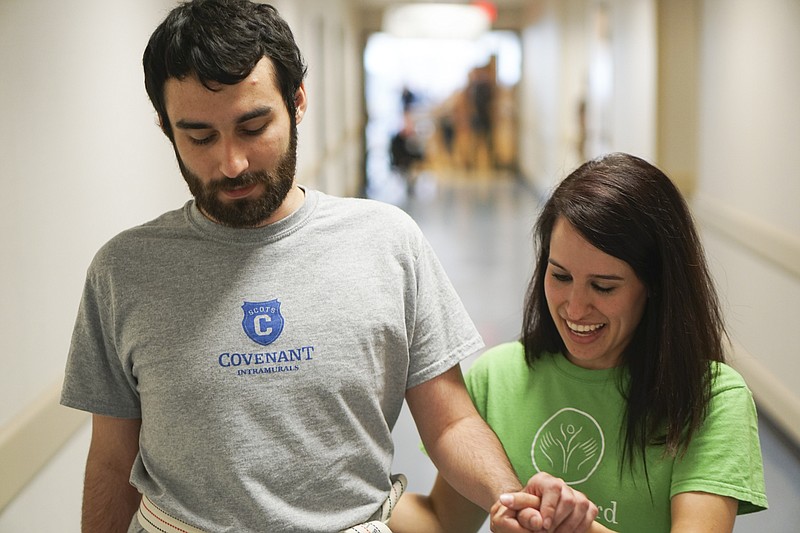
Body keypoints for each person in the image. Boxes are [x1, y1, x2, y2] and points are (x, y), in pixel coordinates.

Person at [59, 1, 591, 532]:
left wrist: (511, 497)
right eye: (199, 136)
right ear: (165, 126)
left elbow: (449, 421)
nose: (231, 163)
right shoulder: (124, 271)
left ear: (297, 101)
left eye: (253, 126)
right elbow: (110, 459)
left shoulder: (387, 242)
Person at [389, 152, 768, 533]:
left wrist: (574, 527)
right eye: (561, 276)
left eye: (603, 286)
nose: (574, 307)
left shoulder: (712, 399)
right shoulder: (499, 376)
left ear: (655, 285)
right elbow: (441, 521)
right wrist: (353, 492)